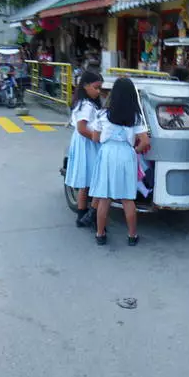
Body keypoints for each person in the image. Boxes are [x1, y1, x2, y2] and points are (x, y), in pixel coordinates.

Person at [90, 78, 150, 246]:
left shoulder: (103, 114)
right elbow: (145, 141)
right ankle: (132, 236)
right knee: (127, 199)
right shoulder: (136, 116)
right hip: (126, 154)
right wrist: (134, 151)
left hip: (107, 153)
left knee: (104, 197)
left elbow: (95, 137)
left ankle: (100, 234)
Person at [64, 71, 104, 228]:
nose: (99, 91)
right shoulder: (86, 106)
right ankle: (90, 215)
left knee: (85, 180)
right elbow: (81, 128)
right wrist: (98, 138)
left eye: (100, 88)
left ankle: (82, 215)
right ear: (86, 86)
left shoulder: (84, 103)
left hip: (85, 142)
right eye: (96, 87)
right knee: (92, 179)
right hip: (87, 142)